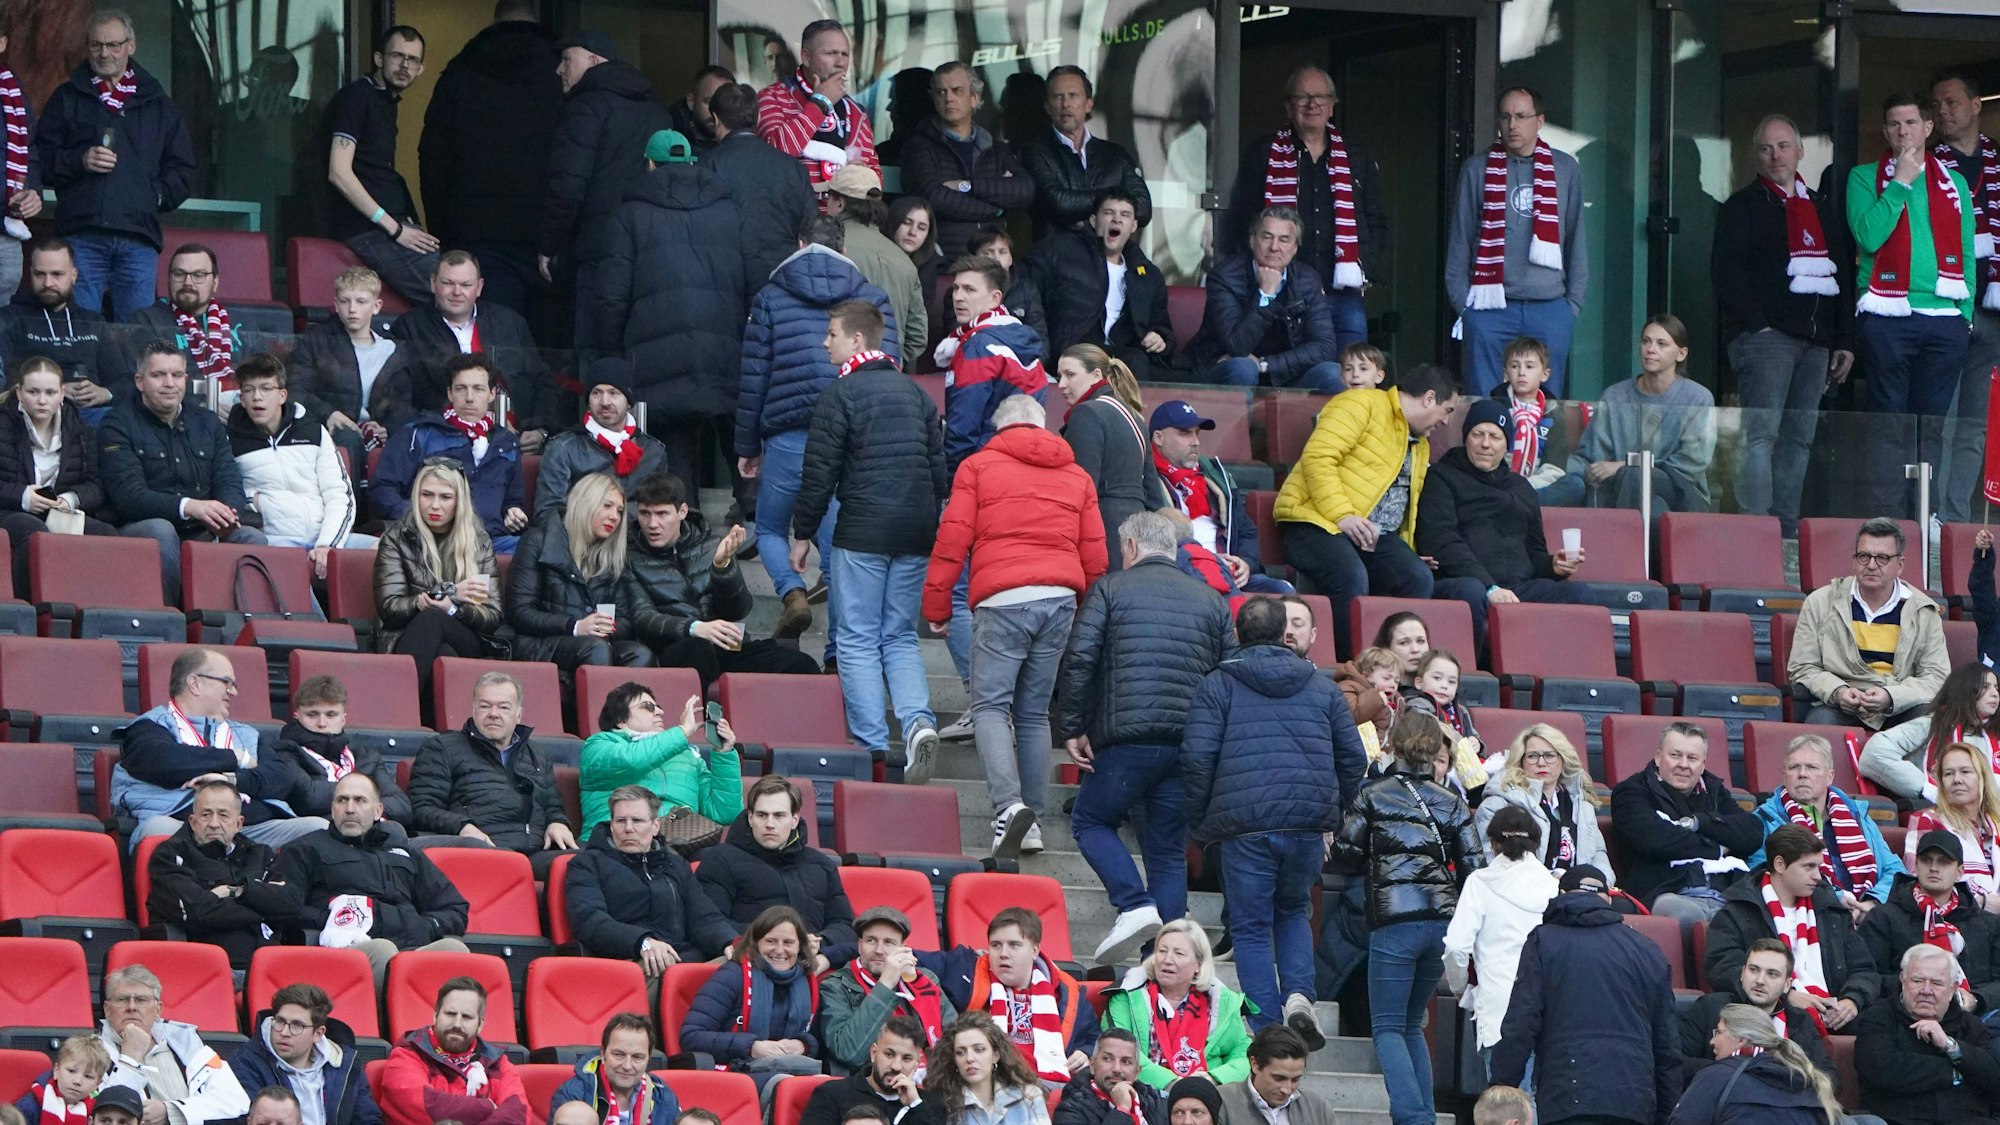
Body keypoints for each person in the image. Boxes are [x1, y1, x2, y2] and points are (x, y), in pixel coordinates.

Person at [924, 392, 1106, 852]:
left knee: (990, 707)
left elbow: (952, 540)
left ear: (1000, 428)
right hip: (1060, 598)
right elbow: (1095, 555)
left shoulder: (978, 467)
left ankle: (1008, 809)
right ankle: (1034, 820)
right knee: (1033, 713)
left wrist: (937, 607)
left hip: (1002, 597)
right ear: (1041, 426)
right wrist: (1084, 611)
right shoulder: (1077, 475)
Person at [1190, 595, 1367, 1041]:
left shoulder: (1218, 684)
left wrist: (1204, 816)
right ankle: (1300, 997)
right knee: (1292, 913)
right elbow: (1354, 758)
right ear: (1283, 633)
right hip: (1307, 824)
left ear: (1237, 634)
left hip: (1244, 826)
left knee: (1250, 928)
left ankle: (1267, 1023)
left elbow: (1196, 758)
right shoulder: (1323, 687)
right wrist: (1332, 813)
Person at [1055, 509, 1229, 959]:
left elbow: (1080, 660)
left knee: (1091, 820)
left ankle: (1133, 904)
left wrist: (1072, 726)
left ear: (1131, 547)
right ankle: (1165, 958)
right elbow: (1228, 677)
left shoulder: (1110, 589)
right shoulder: (1211, 599)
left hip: (1126, 738)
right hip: (1188, 744)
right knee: (1168, 850)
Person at [795, 301, 948, 767]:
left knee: (857, 637)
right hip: (915, 532)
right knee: (899, 635)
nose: (825, 341)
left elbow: (819, 472)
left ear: (857, 339)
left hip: (862, 529)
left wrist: (802, 533)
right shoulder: (917, 395)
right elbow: (938, 473)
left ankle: (872, 747)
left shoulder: (839, 395)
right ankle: (918, 723)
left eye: (832, 333)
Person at [737, 216, 900, 640]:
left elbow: (754, 376)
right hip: (852, 437)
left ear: (800, 244)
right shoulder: (872, 298)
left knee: (770, 528)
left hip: (788, 433)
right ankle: (835, 655)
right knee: (837, 549)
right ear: (843, 250)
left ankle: (791, 592)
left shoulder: (770, 296)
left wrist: (747, 444)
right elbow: (891, 371)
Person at [1332, 711, 1481, 1123]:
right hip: (1441, 922)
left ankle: (1412, 1118)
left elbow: (1344, 855)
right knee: (1412, 1024)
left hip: (1394, 921)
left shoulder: (1373, 794)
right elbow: (1474, 868)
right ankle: (1423, 1115)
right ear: (1436, 750)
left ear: (1393, 745)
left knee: (1387, 1027)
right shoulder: (1452, 801)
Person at [598, 129, 753, 520]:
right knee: (732, 428)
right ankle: (754, 514)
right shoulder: (729, 209)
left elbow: (612, 294)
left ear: (650, 164)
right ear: (691, 163)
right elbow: (752, 279)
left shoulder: (630, 214)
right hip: (722, 343)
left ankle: (688, 522)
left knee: (676, 437)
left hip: (656, 348)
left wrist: (612, 353)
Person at [1714, 114, 1854, 537]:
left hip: (1815, 344)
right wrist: (1759, 327)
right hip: (1766, 341)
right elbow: (1726, 274)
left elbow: (1843, 276)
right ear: (1755, 156)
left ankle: (1786, 530)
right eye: (1766, 148)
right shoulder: (1741, 207)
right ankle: (1757, 532)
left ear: (1800, 151)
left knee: (1799, 438)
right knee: (1760, 436)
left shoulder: (1821, 208)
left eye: (1783, 146)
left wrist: (1843, 340)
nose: (1775, 155)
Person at [1272, 362, 1461, 655]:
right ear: (1429, 398)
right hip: (1315, 521)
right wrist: (1342, 515)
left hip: (1371, 536)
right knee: (1350, 575)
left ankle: (1394, 665)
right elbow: (1318, 458)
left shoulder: (1419, 443)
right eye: (1447, 410)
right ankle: (1348, 664)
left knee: (1417, 577)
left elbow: (1398, 505)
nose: (1446, 421)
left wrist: (1407, 549)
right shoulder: (1359, 404)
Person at [1849, 92, 1976, 516]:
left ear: (1927, 128)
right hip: (1887, 315)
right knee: (1889, 423)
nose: (1902, 131)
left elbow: (1967, 254)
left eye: (1910, 123)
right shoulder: (1864, 177)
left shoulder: (1954, 183)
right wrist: (1899, 183)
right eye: (1894, 124)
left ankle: (1925, 515)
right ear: (1885, 131)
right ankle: (1886, 520)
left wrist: (1964, 318)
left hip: (1945, 319)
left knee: (1931, 428)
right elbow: (1868, 236)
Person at [34, 10, 195, 322]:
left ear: (131, 46)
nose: (104, 53)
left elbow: (183, 169)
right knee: (81, 331)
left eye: (113, 45)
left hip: (138, 238)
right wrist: (79, 160)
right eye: (96, 45)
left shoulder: (158, 104)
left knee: (136, 336)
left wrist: (154, 197)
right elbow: (39, 159)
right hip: (82, 235)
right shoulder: (67, 97)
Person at [1492, 865, 1680, 1125]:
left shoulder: (1543, 941)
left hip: (1567, 1096)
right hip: (1633, 1100)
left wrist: (1501, 1089)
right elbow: (1667, 1043)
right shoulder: (1647, 950)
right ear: (1608, 900)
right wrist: (1667, 1113)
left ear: (1561, 894)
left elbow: (1521, 1023)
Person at [1228, 68, 1388, 358]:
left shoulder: (1356, 155)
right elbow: (1244, 219)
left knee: (1351, 372)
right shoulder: (1264, 153)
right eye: (1302, 97)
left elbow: (1375, 218)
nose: (1312, 104)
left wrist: (1366, 268)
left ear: (1332, 105)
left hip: (1343, 292)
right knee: (1291, 369)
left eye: (1320, 97)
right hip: (1284, 289)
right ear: (1289, 106)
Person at [415, 0, 560, 313]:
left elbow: (433, 157)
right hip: (550, 236)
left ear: (496, 18)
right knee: (555, 339)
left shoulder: (462, 70)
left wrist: (445, 235)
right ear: (535, 16)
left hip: (477, 232)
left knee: (492, 336)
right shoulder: (562, 69)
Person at [1444, 87, 1589, 396]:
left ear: (1540, 121)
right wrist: (1466, 309)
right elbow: (1460, 240)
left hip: (1549, 308)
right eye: (1506, 116)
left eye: (1521, 116)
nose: (1512, 125)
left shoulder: (1565, 169)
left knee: (1545, 406)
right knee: (1486, 404)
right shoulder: (1476, 169)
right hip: (1489, 307)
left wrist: (1571, 306)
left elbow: (1576, 238)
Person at [1418, 396, 1591, 655]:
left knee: (1581, 595)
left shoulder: (1521, 487)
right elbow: (1443, 543)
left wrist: (1553, 565)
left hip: (1518, 588)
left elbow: (1534, 551)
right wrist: (1490, 586)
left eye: (1495, 437)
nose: (1485, 444)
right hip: (1465, 582)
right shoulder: (1441, 477)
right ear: (1466, 437)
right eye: (1478, 434)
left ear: (1506, 443)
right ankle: (1469, 670)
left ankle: (1565, 674)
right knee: (1471, 590)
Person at [267, 772, 470, 985]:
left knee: (453, 949)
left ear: (378, 811)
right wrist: (334, 919)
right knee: (382, 950)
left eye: (360, 800)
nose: (350, 808)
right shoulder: (304, 849)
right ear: (332, 809)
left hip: (409, 944)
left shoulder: (405, 853)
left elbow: (454, 907)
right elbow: (281, 905)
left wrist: (426, 926)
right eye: (342, 800)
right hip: (341, 950)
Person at [100, 341, 266, 599]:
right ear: (139, 381)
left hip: (203, 530)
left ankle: (239, 620)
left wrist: (226, 515)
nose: (169, 383)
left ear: (186, 380)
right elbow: (128, 496)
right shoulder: (117, 424)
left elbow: (229, 480)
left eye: (177, 375)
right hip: (140, 530)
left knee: (252, 538)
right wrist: (189, 507)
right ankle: (172, 615)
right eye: (158, 375)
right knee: (161, 531)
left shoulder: (207, 422)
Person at [621, 472, 818, 687]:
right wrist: (694, 628)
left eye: (662, 514)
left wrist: (723, 568)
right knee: (698, 649)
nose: (652, 523)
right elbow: (643, 617)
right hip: (675, 649)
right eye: (645, 513)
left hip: (726, 646)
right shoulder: (630, 558)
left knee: (801, 663)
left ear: (682, 511)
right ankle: (704, 710)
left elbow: (739, 610)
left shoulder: (712, 546)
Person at [541, 30, 672, 350]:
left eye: (566, 60)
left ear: (593, 60)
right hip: (650, 250)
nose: (559, 69)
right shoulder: (658, 112)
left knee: (593, 348)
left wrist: (549, 244)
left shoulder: (586, 108)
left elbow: (568, 183)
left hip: (598, 248)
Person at [114, 646, 322, 846]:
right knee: (159, 828)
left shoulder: (246, 734)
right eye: (226, 682)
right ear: (195, 683)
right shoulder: (148, 726)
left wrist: (230, 779)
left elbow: (282, 776)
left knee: (317, 828)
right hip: (184, 826)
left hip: (249, 829)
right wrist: (236, 758)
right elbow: (164, 760)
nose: (233, 692)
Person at [1703, 825, 1878, 1032]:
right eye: (1808, 867)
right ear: (1780, 864)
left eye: (1818, 867)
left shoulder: (1830, 909)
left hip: (1835, 1014)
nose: (1818, 876)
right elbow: (1723, 969)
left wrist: (1852, 1000)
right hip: (1772, 1012)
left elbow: (1864, 968)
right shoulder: (1738, 912)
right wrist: (1785, 995)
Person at [408, 670, 578, 878]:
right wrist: (462, 827)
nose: (493, 713)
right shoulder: (441, 748)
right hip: (482, 849)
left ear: (519, 714)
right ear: (473, 710)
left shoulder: (538, 754)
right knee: (512, 864)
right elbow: (422, 808)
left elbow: (552, 805)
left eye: (503, 707)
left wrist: (558, 823)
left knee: (594, 859)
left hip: (536, 851)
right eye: (485, 706)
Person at [1541, 314, 1716, 512]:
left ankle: (1624, 530)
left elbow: (1690, 465)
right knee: (1653, 507)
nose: (1651, 349)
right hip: (1624, 492)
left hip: (1682, 494)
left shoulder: (1698, 398)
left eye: (1661, 344)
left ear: (1681, 354)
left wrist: (1625, 465)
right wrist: (1546, 471)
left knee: (1634, 476)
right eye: (1646, 341)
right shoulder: (1614, 395)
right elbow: (1590, 457)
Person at [1789, 516, 1950, 730]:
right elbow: (1802, 667)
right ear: (1854, 561)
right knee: (1821, 722)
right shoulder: (1820, 602)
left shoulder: (1923, 611)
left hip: (1899, 704)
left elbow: (1936, 677)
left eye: (1882, 558)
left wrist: (1891, 696)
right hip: (1840, 704)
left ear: (1900, 565)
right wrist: (1838, 691)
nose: (1871, 565)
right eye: (1864, 556)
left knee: (1929, 723)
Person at [371, 458, 502, 718]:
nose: (434, 505)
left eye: (445, 497)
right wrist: (445, 593)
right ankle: (441, 726)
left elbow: (492, 616)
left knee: (434, 619)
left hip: (466, 636)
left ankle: (395, 716)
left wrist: (453, 608)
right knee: (442, 651)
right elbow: (389, 607)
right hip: (405, 635)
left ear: (459, 501)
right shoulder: (397, 538)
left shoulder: (479, 541)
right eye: (427, 495)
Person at [317, 27, 438, 306]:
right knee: (450, 290)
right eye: (397, 56)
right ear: (379, 59)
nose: (404, 65)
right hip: (366, 229)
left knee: (459, 282)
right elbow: (339, 172)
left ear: (421, 69)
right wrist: (396, 229)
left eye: (412, 60)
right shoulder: (357, 98)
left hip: (385, 227)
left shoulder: (384, 101)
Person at [564, 785, 738, 977]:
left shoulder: (676, 864)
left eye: (637, 821)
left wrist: (729, 942)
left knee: (743, 962)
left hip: (684, 958)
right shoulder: (587, 864)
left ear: (655, 826)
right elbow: (589, 920)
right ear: (611, 825)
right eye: (620, 821)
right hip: (628, 961)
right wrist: (643, 942)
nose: (628, 828)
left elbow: (704, 917)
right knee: (667, 968)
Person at [1443, 805, 1560, 1077]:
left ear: (1494, 843)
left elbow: (1456, 946)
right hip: (1547, 1013)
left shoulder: (1479, 883)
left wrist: (1459, 988)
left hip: (1498, 1012)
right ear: (1536, 841)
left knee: (1505, 1100)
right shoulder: (1553, 887)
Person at [392, 252, 556, 445]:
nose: (456, 292)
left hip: (517, 438)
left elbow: (542, 381)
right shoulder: (409, 327)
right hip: (445, 439)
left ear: (479, 287)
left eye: (466, 285)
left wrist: (540, 430)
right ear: (433, 283)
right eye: (448, 283)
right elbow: (406, 397)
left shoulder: (509, 322)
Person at [919, 908, 1099, 1084]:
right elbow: (911, 957)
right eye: (996, 945)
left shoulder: (1066, 991)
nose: (1003, 954)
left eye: (1014, 945)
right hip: (987, 1082)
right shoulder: (966, 970)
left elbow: (1095, 1039)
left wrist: (1086, 1052)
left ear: (1034, 950)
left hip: (1051, 1082)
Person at [371, 354, 527, 552]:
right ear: (450, 394)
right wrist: (418, 520)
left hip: (490, 542)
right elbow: (382, 489)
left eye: (478, 389)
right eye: (461, 389)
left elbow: (513, 502)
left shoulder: (507, 442)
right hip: (432, 540)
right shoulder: (418, 433)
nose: (469, 398)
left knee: (533, 549)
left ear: (492, 394)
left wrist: (513, 513)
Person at [1610, 721, 1763, 922]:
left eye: (1692, 758)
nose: (1683, 764)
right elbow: (1655, 840)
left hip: (1727, 894)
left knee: (1761, 918)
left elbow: (1752, 833)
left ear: (1703, 764)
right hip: (1670, 894)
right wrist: (1718, 846)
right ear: (1658, 757)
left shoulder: (1714, 791)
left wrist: (1700, 822)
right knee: (1686, 915)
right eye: (1675, 755)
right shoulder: (1631, 792)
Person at [505, 472, 655, 677]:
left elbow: (625, 619)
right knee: (594, 648)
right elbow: (520, 612)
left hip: (593, 642)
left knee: (640, 654)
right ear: (584, 503)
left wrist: (607, 627)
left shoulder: (613, 557)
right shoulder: (537, 541)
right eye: (607, 506)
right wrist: (575, 626)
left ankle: (623, 700)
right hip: (539, 642)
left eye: (620, 511)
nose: (615, 516)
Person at [1933, 72, 2000, 529]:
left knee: (1975, 425)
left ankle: (1956, 520)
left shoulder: (1998, 158)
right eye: (1936, 104)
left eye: (1952, 102)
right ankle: (1933, 516)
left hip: (1993, 308)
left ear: (1977, 105)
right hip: (1946, 306)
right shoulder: (1926, 162)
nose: (1943, 111)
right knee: (1943, 419)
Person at [226, 354, 369, 567]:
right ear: (242, 399)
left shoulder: (314, 432)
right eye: (249, 390)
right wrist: (255, 501)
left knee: (384, 550)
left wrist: (327, 545)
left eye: (266, 388)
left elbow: (339, 494)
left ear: (282, 395)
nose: (257, 397)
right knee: (291, 572)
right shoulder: (230, 440)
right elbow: (226, 493)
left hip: (327, 537)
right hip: (275, 542)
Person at [144, 779, 294, 972]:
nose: (214, 824)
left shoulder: (260, 854)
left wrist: (236, 892)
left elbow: (289, 905)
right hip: (209, 969)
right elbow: (198, 911)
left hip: (269, 965)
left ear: (239, 823)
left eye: (223, 815)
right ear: (193, 822)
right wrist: (263, 908)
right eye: (206, 815)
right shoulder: (169, 855)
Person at [1023, 192, 1172, 383]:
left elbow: (1160, 323)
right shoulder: (1058, 252)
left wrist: (1159, 337)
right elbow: (1024, 292)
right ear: (1094, 221)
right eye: (1109, 213)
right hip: (1073, 350)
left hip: (1124, 355)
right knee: (1135, 362)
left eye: (1125, 215)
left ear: (1134, 226)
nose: (1117, 219)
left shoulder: (1148, 274)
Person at [1187, 207, 1341, 391]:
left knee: (1332, 372)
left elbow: (1325, 347)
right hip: (1226, 367)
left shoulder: (1308, 279)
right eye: (1267, 237)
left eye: (1284, 240)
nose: (1274, 247)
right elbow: (1237, 347)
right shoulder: (1225, 276)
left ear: (1294, 248)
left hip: (1283, 372)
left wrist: (1265, 364)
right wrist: (1265, 294)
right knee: (1243, 367)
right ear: (1252, 241)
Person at [0, 355, 116, 593]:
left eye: (50, 393)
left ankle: (95, 605)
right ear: (19, 392)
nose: (42, 400)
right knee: (34, 533)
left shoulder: (80, 429)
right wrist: (22, 496)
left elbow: (96, 485)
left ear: (62, 394)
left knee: (106, 534)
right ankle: (31, 605)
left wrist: (70, 499)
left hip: (60, 513)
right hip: (9, 510)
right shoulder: (3, 424)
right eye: (33, 392)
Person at [283, 267, 418, 469]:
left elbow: (403, 405)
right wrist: (329, 414)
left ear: (376, 306)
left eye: (361, 302)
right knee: (347, 436)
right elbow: (295, 388)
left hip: (376, 436)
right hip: (327, 430)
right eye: (345, 301)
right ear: (336, 305)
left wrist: (386, 429)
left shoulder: (392, 350)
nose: (352, 309)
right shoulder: (315, 341)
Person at [697, 774, 856, 944]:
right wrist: (770, 939)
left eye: (779, 815)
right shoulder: (719, 860)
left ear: (794, 820)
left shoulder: (822, 865)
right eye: (762, 815)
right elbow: (708, 922)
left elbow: (845, 926)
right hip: (748, 954)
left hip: (814, 956)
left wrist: (821, 942)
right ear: (750, 818)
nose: (770, 824)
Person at [1860, 830, 2000, 1022]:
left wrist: (1976, 999)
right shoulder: (1883, 917)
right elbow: (1868, 975)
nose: (1934, 868)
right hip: (1904, 1017)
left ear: (1960, 871)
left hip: (1976, 1018)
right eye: (1926, 860)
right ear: (1916, 866)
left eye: (1943, 862)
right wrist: (1921, 990)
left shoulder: (1988, 923)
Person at [1750, 733, 1904, 907]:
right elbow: (1763, 875)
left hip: (1868, 911)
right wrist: (1836, 900)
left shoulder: (1857, 814)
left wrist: (1872, 903)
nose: (1802, 774)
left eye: (1811, 767)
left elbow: (1895, 870)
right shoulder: (1765, 818)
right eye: (1794, 767)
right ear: (1784, 776)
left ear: (1830, 776)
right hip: (1810, 912)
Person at [1148, 401, 1284, 596]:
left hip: (1228, 573)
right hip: (1180, 576)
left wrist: (1246, 563)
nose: (1195, 441)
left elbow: (1246, 531)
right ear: (1158, 437)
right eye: (1185, 433)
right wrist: (1205, 561)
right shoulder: (1145, 480)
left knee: (1281, 589)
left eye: (1197, 433)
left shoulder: (1217, 478)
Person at [1854, 944, 2000, 1124]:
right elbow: (1883, 1071)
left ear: (1952, 990)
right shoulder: (1877, 1017)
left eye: (1937, 983)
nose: (1926, 991)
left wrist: (1950, 1045)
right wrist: (1956, 1072)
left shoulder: (1970, 1024)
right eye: (1917, 981)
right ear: (1903, 981)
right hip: (1901, 1119)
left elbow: (1993, 1075)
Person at [678, 905, 823, 1083]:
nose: (779, 950)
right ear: (756, 943)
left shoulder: (808, 982)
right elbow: (692, 1036)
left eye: (788, 943)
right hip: (736, 1071)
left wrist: (803, 1045)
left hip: (790, 1068)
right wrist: (751, 1047)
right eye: (771, 941)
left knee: (822, 1084)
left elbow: (818, 1037)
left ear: (800, 946)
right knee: (785, 1083)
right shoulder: (732, 975)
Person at [901, 63, 1031, 260]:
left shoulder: (995, 149)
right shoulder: (918, 146)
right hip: (944, 258)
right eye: (941, 92)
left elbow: (1025, 190)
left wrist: (967, 186)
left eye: (957, 91)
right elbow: (933, 197)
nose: (949, 98)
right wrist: (995, 209)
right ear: (934, 99)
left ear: (974, 98)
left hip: (992, 258)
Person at [579, 683, 740, 841]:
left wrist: (724, 753)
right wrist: (682, 731)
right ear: (621, 719)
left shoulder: (688, 757)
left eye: (659, 707)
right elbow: (632, 761)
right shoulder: (598, 745)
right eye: (648, 706)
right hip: (614, 842)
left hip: (680, 845)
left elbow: (724, 814)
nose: (660, 712)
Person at [94, 965, 250, 1125]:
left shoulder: (188, 1044)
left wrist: (171, 1111)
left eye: (141, 1000)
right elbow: (106, 1115)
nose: (132, 1007)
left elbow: (236, 1101)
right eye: (122, 999)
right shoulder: (90, 1052)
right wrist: (130, 1059)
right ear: (107, 1010)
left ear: (157, 1010)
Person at [1101, 919, 1250, 1086]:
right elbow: (1118, 1051)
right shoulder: (1125, 997)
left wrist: (1212, 1078)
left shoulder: (1221, 1002)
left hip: (1206, 1093)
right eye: (1162, 951)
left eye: (1179, 953)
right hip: (1144, 1091)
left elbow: (1243, 1054)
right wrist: (1172, 1083)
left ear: (1198, 964)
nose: (1167, 960)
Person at [1055, 346, 1163, 567]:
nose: (1061, 384)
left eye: (1070, 374)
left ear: (1096, 375)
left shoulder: (1087, 412)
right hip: (1138, 535)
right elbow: (1153, 493)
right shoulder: (1134, 416)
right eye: (1060, 376)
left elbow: (1083, 487)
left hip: (1103, 531)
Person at [937, 256, 1047, 472]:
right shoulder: (1020, 339)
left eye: (969, 289)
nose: (958, 297)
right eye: (956, 288)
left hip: (982, 467)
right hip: (1023, 463)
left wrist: (951, 475)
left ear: (995, 298)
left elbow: (964, 424)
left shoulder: (979, 345)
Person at [703, 81, 816, 290]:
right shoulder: (793, 167)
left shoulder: (708, 166)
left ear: (716, 120)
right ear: (758, 118)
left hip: (730, 279)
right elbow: (811, 227)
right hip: (786, 279)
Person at [0, 238, 128, 421]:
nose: (48, 283)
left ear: (73, 275)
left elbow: (125, 380)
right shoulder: (10, 318)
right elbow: (5, 384)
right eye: (40, 274)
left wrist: (105, 393)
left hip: (92, 413)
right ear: (30, 274)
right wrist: (51, 392)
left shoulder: (93, 322)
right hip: (32, 413)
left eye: (57, 274)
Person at [1679, 938, 1835, 1087]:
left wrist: (1774, 1078)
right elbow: (1678, 1063)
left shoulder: (1799, 1020)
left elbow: (1829, 1077)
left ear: (1787, 985)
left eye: (1772, 974)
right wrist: (1740, 1074)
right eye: (1754, 970)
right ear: (1742, 973)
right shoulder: (1710, 1007)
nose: (1760, 980)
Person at [821, 910, 958, 1076]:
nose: (879, 950)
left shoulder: (925, 980)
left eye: (888, 942)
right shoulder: (835, 985)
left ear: (903, 949)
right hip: (874, 1083)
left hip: (934, 1079)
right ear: (859, 945)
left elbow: (957, 1038)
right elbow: (849, 1052)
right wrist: (885, 984)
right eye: (871, 940)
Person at [756, 21, 879, 204]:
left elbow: (875, 183)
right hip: (789, 214)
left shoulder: (856, 112)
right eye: (831, 53)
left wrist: (861, 175)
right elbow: (774, 155)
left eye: (845, 54)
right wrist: (821, 103)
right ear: (806, 57)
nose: (840, 62)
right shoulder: (772, 97)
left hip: (842, 218)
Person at [269, 674, 413, 829]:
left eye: (331, 715)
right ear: (297, 717)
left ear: (343, 719)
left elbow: (401, 806)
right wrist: (366, 801)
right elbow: (307, 798)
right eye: (312, 714)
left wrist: (360, 812)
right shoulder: (285, 752)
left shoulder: (366, 757)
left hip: (374, 834)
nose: (322, 723)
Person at [228, 982, 384, 1125]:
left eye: (297, 1025)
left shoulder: (345, 1064)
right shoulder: (245, 1063)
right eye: (280, 1021)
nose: (284, 1032)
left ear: (318, 1033)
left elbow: (367, 1119)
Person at [378, 977, 527, 1125]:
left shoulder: (498, 1063)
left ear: (480, 1024)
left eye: (467, 1017)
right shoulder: (407, 1054)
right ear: (435, 1015)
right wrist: (486, 1107)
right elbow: (424, 1107)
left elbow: (518, 1114)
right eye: (450, 1014)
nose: (457, 1024)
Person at [1474, 723, 1612, 882]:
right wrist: (1550, 881)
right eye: (1532, 756)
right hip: (1527, 890)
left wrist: (1599, 883)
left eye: (1550, 755)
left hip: (1581, 890)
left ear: (1563, 759)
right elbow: (1495, 864)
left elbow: (1599, 854)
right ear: (1520, 761)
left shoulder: (1581, 804)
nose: (1541, 763)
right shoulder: (1497, 805)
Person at [533, 359, 667, 518]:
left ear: (629, 402)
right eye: (596, 393)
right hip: (580, 532)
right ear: (588, 401)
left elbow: (660, 510)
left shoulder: (653, 451)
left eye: (614, 393)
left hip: (636, 533)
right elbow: (548, 513)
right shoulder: (563, 448)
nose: (604, 402)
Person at [1673, 1003, 1842, 1125]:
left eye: (1719, 1032)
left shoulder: (1714, 1077)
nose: (1712, 1041)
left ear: (1741, 1040)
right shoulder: (1811, 1082)